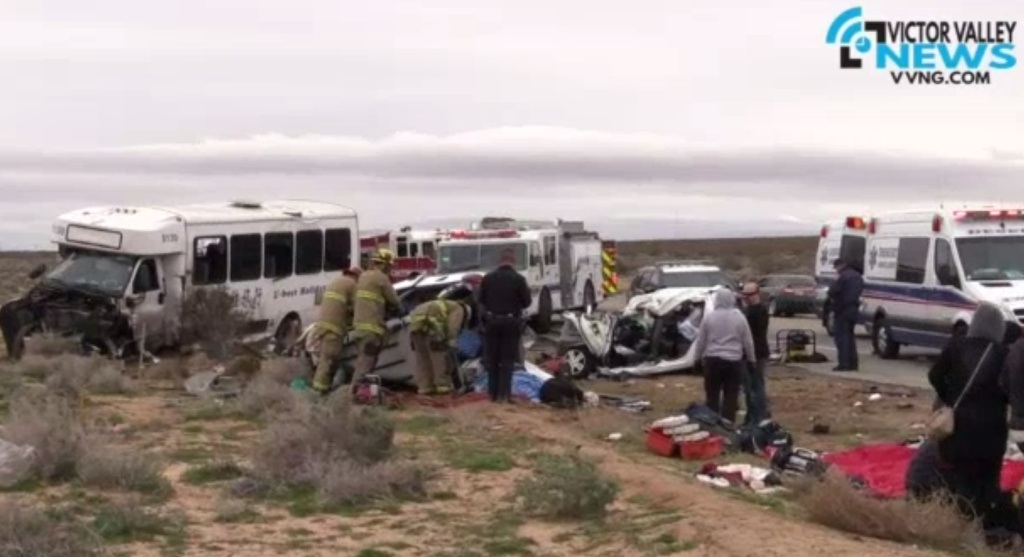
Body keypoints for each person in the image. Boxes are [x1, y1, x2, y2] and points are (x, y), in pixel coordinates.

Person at [905, 302, 1011, 533]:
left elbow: (934, 375)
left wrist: (950, 398)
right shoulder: (1002, 354)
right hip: (991, 429)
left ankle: (958, 525)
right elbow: (1009, 389)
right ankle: (983, 526)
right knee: (987, 479)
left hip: (958, 428)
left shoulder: (956, 346)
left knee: (959, 476)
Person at [692, 288, 756, 423]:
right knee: (731, 395)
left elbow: (701, 340)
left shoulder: (709, 317)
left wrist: (697, 359)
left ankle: (712, 422)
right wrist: (751, 360)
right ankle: (727, 423)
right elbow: (748, 341)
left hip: (712, 360)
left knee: (712, 395)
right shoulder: (739, 317)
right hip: (733, 361)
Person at [477, 248, 532, 403]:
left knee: (492, 360)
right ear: (512, 261)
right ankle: (504, 395)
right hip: (510, 323)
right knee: (507, 360)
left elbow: (481, 300)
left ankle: (492, 394)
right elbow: (527, 302)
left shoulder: (488, 278)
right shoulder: (519, 279)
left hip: (492, 322)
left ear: (499, 261)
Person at [349, 249, 403, 394]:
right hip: (371, 330)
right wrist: (400, 310)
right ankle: (355, 396)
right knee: (365, 365)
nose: (390, 269)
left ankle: (363, 394)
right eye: (389, 266)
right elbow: (394, 301)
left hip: (359, 328)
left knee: (364, 362)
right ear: (384, 264)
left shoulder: (363, 276)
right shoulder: (381, 278)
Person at [408, 283, 475, 396]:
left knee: (423, 359)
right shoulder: (459, 308)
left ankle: (425, 388)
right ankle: (443, 388)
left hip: (416, 329)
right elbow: (453, 327)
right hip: (433, 330)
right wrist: (451, 342)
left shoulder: (441, 303)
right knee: (439, 359)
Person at [310, 266, 362, 394]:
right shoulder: (352, 284)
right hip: (334, 328)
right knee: (328, 360)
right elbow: (358, 307)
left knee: (326, 358)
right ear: (356, 277)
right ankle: (319, 392)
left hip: (321, 326)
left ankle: (322, 388)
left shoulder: (335, 282)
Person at [740, 282, 771, 425]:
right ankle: (756, 414)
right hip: (755, 352)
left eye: (749, 295)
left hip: (756, 353)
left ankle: (758, 415)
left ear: (757, 294)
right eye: (744, 294)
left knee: (755, 386)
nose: (746, 297)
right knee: (753, 386)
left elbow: (751, 333)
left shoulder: (757, 311)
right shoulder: (752, 310)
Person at [828, 257, 863, 372]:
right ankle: (853, 363)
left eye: (836, 268)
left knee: (841, 338)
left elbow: (833, 291)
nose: (836, 270)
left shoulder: (842, 276)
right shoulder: (857, 276)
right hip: (853, 309)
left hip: (842, 309)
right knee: (850, 337)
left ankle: (844, 363)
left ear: (840, 266)